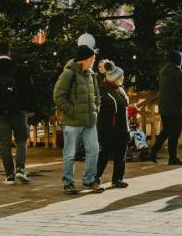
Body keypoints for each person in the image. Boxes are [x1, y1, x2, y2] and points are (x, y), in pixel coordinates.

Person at [0, 41, 34, 186]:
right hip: (19, 111)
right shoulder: (19, 69)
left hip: (0, 112)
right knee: (21, 140)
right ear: (9, 52)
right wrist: (30, 108)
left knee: (5, 144)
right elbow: (28, 89)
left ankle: (9, 175)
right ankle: (20, 168)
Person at [53, 44, 101, 193]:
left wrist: (95, 109)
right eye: (92, 58)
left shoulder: (91, 74)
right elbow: (58, 97)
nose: (94, 61)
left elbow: (97, 96)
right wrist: (73, 112)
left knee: (94, 150)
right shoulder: (69, 73)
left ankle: (89, 180)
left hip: (89, 121)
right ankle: (68, 183)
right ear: (84, 60)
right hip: (73, 122)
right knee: (70, 153)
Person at [148, 50, 182, 165]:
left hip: (164, 106)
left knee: (166, 131)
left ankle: (153, 152)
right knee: (175, 132)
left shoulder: (163, 70)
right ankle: (172, 158)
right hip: (175, 106)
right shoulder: (178, 71)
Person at [95, 61, 129, 188]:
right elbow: (106, 114)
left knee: (121, 155)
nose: (123, 78)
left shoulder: (119, 90)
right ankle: (96, 177)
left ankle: (118, 178)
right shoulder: (106, 91)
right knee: (104, 155)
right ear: (116, 78)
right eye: (121, 76)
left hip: (121, 129)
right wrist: (105, 133)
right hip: (110, 130)